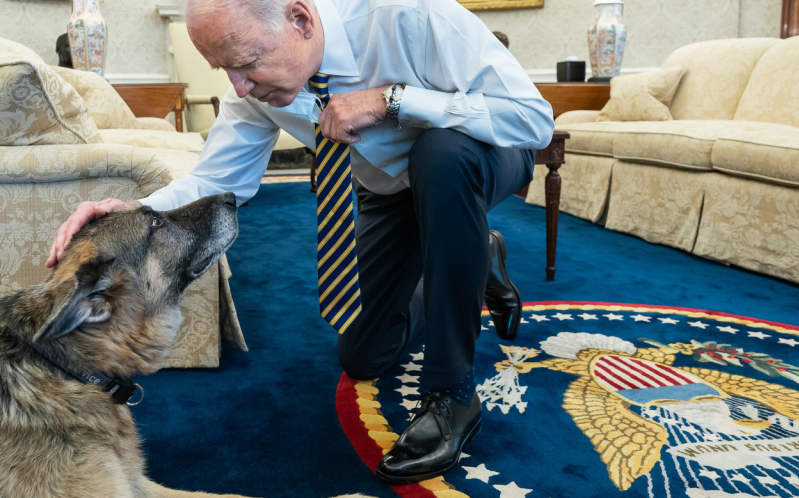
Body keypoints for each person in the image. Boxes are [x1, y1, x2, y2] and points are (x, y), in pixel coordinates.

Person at [46, 0, 554, 484]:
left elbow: (533, 119)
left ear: (300, 20)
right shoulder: (253, 89)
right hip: (387, 188)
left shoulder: (408, 15)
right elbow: (217, 181)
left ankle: (452, 395)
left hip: (482, 154)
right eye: (223, 69)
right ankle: (476, 256)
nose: (239, 86)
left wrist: (392, 101)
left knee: (440, 155)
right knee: (364, 355)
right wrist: (135, 211)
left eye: (246, 64)